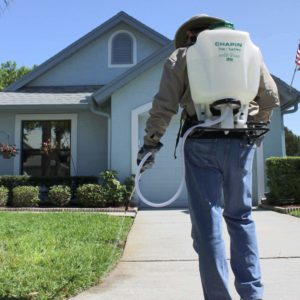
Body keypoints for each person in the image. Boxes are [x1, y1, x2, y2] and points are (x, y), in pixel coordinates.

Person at [137, 14, 279, 300]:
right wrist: (256, 132)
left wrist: (150, 144)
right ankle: (253, 295)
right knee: (241, 218)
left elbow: (164, 105)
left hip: (200, 140)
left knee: (208, 224)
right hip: (241, 142)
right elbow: (271, 97)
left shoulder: (183, 55)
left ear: (191, 34)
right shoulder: (248, 52)